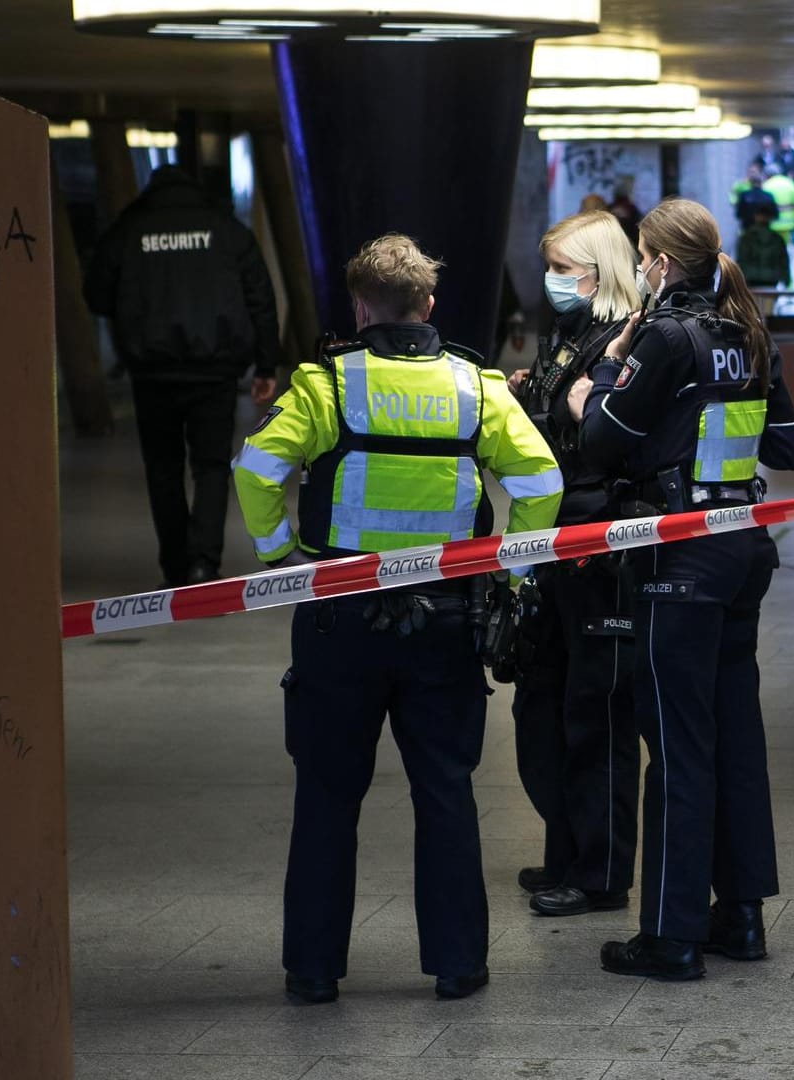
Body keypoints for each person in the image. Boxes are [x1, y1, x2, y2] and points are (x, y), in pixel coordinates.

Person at [231, 234, 563, 1003]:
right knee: (445, 789)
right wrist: (508, 567)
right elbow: (541, 479)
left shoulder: (325, 384)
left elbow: (257, 469)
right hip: (446, 617)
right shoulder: (475, 387)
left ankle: (313, 971)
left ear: (360, 307)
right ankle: (458, 965)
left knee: (325, 793)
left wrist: (283, 555)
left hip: (336, 616)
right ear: (428, 306)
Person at [566, 197, 794, 979]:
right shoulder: (746, 333)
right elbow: (786, 444)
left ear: (662, 265)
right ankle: (740, 919)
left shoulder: (667, 336)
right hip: (741, 550)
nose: (639, 269)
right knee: (735, 736)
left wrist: (598, 379)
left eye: (642, 257)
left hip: (679, 562)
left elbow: (600, 441)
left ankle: (669, 936)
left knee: (676, 743)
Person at [505, 211, 644, 917]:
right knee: (542, 707)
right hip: (550, 541)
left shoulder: (627, 341)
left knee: (597, 715)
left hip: (599, 546)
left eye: (566, 268)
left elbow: (604, 442)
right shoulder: (571, 336)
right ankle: (565, 850)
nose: (554, 280)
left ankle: (601, 874)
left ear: (601, 269)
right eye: (550, 266)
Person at [85, 164, 279, 587]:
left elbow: (96, 293)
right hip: (215, 373)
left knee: (163, 468)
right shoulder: (226, 231)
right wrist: (266, 364)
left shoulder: (129, 230)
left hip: (152, 373)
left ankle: (175, 566)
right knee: (211, 466)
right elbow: (260, 297)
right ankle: (204, 563)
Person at [736, 205, 791, 289]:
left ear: (755, 217)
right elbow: (783, 261)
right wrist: (786, 280)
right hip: (771, 278)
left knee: (753, 301)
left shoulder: (746, 237)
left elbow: (741, 260)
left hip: (751, 279)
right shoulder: (777, 238)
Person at [761, 167, 794, 248]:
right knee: (783, 246)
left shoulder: (766, 185)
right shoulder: (791, 184)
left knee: (771, 247)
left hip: (771, 223)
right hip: (788, 223)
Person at [730, 162, 778, 231]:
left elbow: (739, 214)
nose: (753, 174)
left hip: (752, 228)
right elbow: (775, 214)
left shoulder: (746, 195)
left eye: (755, 172)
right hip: (757, 228)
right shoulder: (741, 185)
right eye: (751, 172)